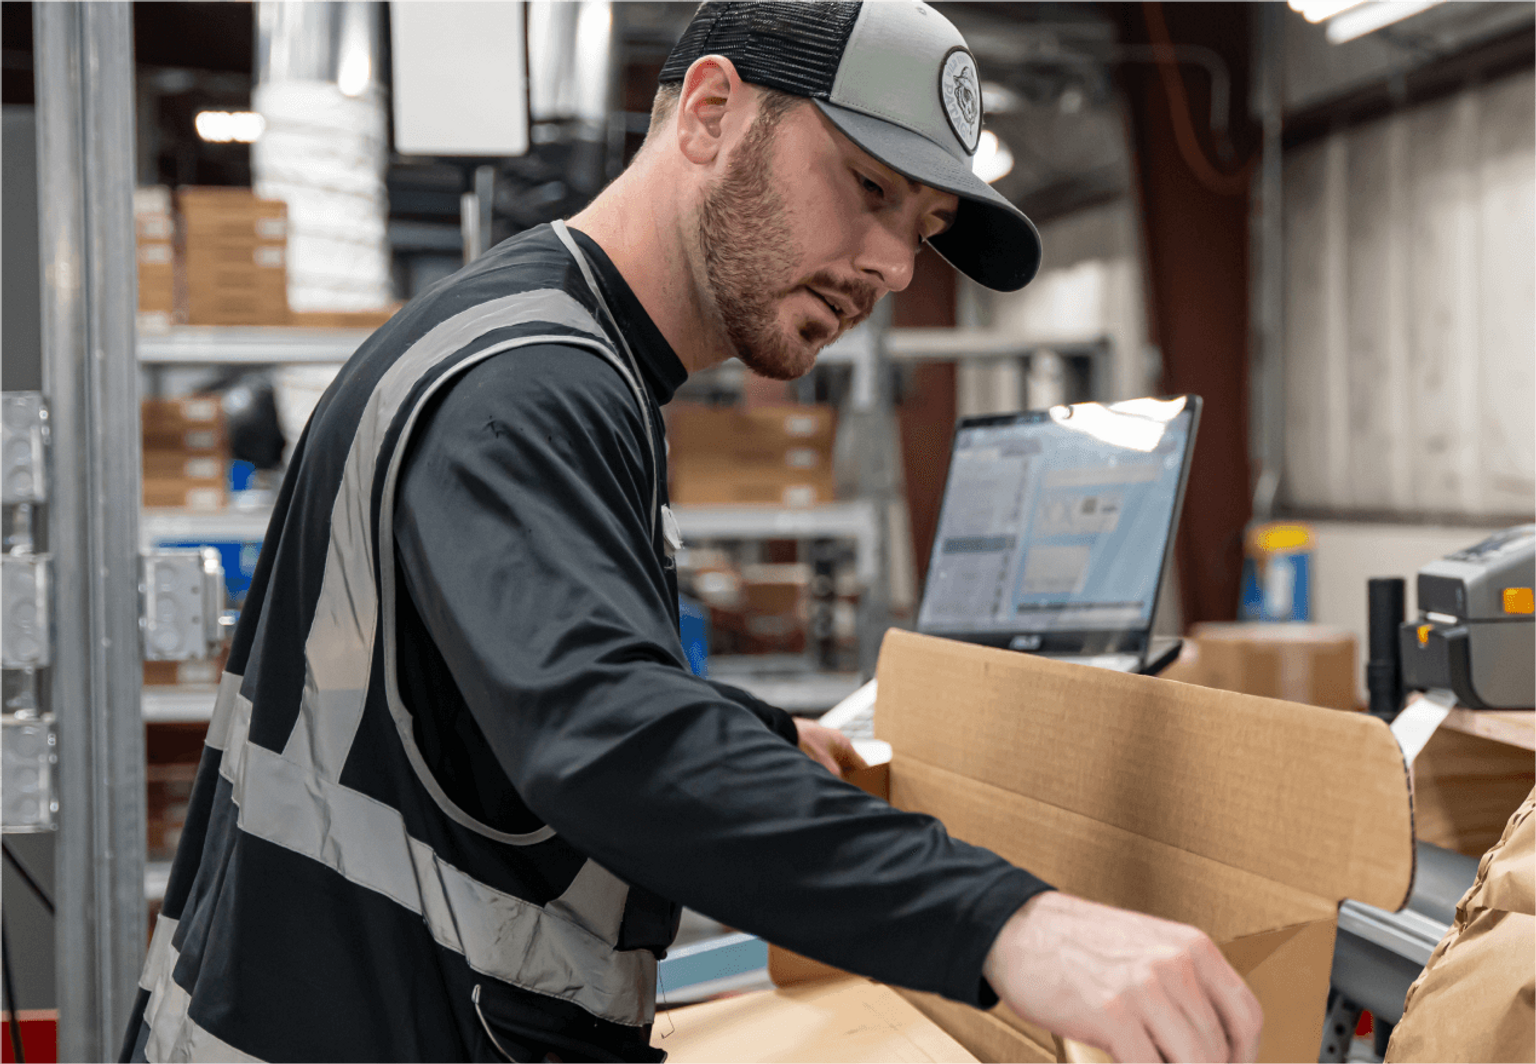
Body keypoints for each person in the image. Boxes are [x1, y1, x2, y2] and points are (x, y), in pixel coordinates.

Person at [122, 2, 1263, 1062]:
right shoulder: (528, 383)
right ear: (712, 113)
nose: (893, 268)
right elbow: (603, 734)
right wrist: (1010, 923)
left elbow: (469, 695)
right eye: (869, 187)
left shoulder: (561, 353)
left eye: (923, 230)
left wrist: (746, 729)